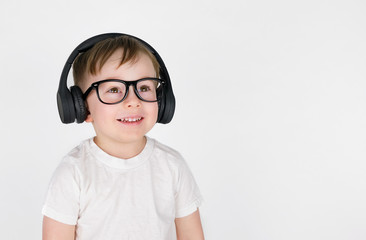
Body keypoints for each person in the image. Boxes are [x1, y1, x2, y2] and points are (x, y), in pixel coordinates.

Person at [42, 33, 204, 240]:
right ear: (81, 108)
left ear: (162, 100)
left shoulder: (173, 166)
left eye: (144, 87)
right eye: (114, 89)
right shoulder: (73, 173)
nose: (133, 101)